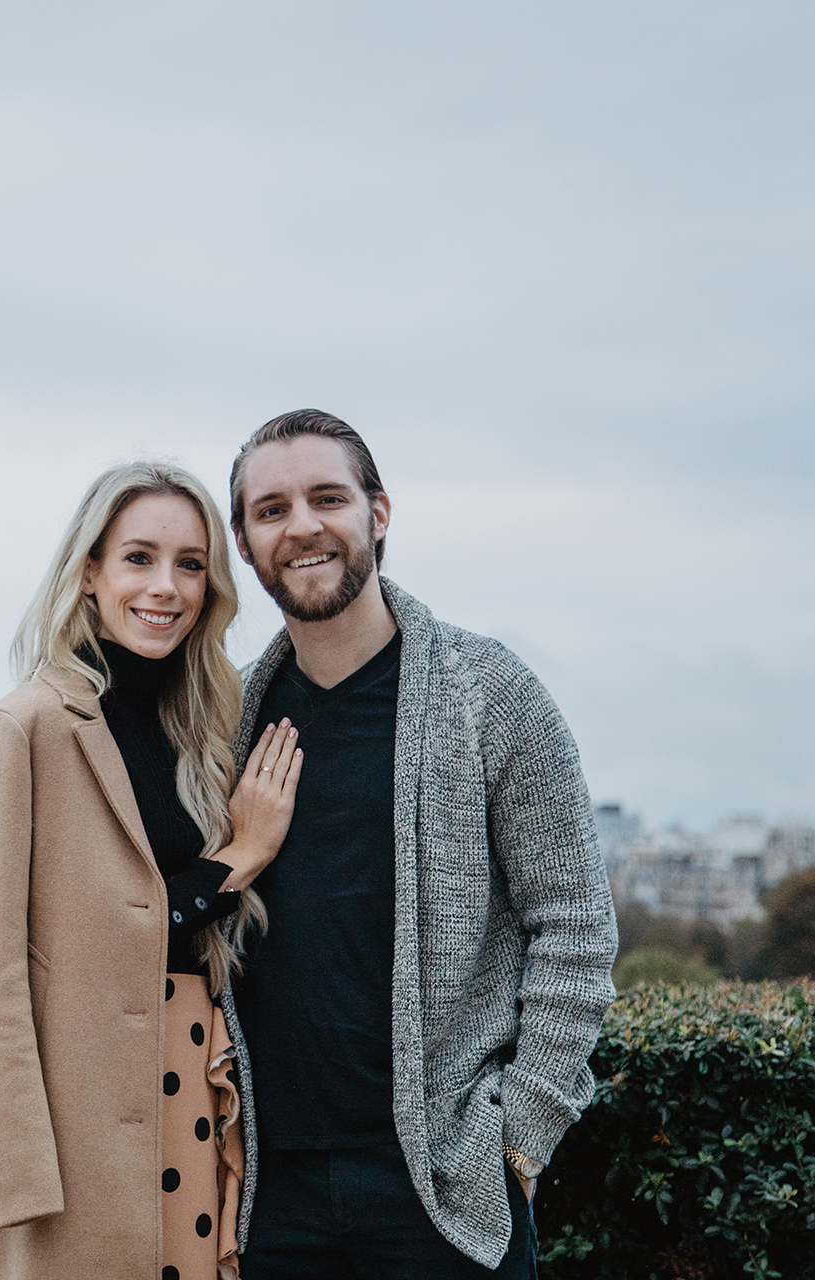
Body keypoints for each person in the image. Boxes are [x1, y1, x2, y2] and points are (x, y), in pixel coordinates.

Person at [220, 410, 619, 1279]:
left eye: (328, 498)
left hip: (446, 1188)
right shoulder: (226, 720)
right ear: (245, 545)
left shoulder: (493, 696)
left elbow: (577, 925)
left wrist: (520, 1140)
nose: (303, 526)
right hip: (267, 1193)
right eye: (271, 509)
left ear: (380, 513)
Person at [0, 461, 303, 1280]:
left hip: (201, 1100)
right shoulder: (21, 729)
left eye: (191, 563)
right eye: (139, 557)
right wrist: (236, 859)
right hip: (76, 1130)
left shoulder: (208, 735)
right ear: (90, 570)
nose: (165, 586)